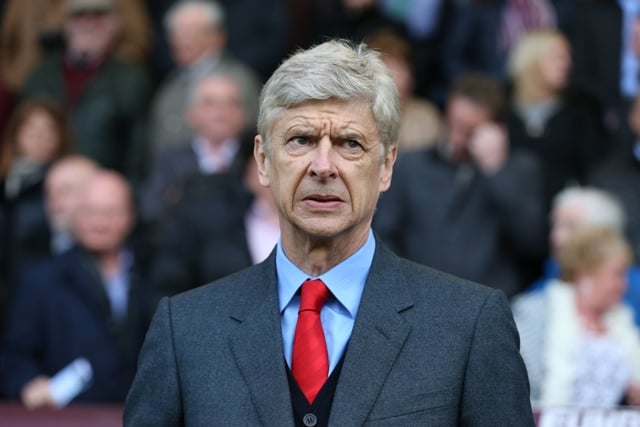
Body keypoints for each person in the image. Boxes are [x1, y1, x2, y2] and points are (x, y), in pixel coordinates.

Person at [124, 39, 534, 426]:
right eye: (301, 140)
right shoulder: (185, 330)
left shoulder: (468, 325)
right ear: (263, 161)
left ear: (387, 165)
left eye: (349, 143)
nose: (323, 166)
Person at [374, 73, 547, 297]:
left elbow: (532, 244)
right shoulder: (411, 165)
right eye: (452, 124)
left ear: (495, 130)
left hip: (489, 303)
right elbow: (384, 233)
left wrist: (497, 172)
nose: (456, 138)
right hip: (417, 298)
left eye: (468, 131)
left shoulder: (520, 170)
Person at [0, 170, 151, 408]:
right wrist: (28, 383)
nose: (99, 222)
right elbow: (15, 355)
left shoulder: (154, 274)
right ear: (75, 216)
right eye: (90, 212)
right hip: (69, 417)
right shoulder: (41, 280)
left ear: (131, 216)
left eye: (110, 212)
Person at [20, 0, 151, 184]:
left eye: (98, 16)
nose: (88, 23)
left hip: (101, 193)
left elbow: (139, 153)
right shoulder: (40, 76)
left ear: (114, 26)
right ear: (66, 24)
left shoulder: (131, 80)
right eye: (79, 16)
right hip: (41, 190)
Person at [512, 227, 640, 408]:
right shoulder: (536, 313)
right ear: (585, 272)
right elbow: (516, 381)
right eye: (617, 274)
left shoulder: (623, 323)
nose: (624, 285)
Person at [506, 29, 604, 212]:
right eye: (557, 57)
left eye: (567, 57)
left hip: (562, 210)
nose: (566, 64)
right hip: (508, 207)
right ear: (531, 61)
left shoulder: (582, 109)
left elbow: (593, 167)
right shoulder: (503, 105)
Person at [147, 0, 260, 156]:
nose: (180, 40)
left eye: (189, 32)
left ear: (216, 36)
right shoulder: (171, 83)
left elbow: (252, 136)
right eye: (174, 33)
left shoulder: (239, 80)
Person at [140, 70, 251, 226]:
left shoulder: (255, 159)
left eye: (230, 102)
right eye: (210, 103)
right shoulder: (170, 161)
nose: (221, 112)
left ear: (243, 114)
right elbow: (151, 210)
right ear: (191, 114)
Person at [527, 186, 640, 325]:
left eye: (570, 227)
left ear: (603, 236)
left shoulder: (634, 290)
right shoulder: (541, 291)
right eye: (554, 226)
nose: (556, 237)